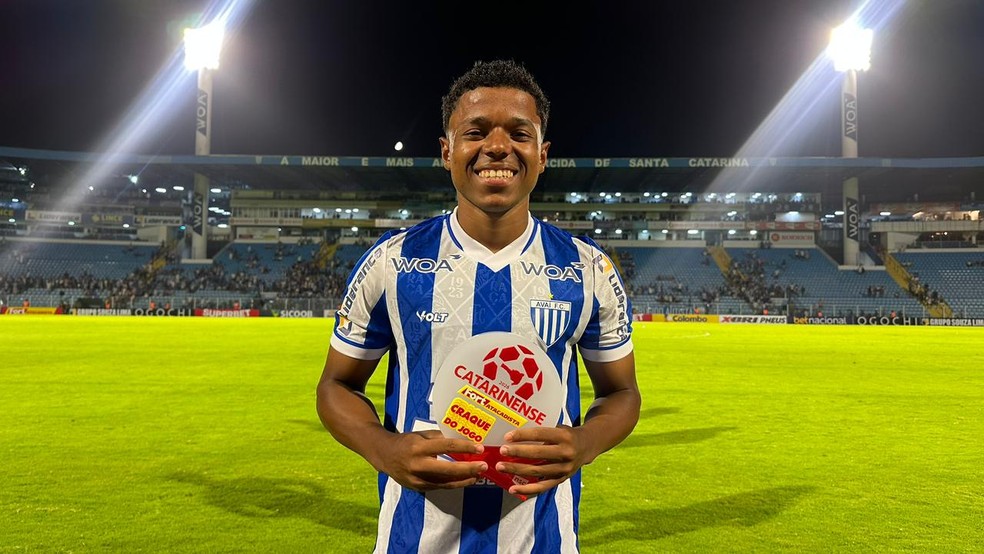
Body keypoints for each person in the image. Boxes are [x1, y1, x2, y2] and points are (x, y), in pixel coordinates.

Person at [317, 59, 640, 553]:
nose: (497, 146)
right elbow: (336, 386)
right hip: (412, 539)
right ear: (446, 152)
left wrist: (584, 444)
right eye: (476, 131)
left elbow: (621, 395)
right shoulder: (393, 261)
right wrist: (386, 450)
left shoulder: (588, 268)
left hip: (545, 540)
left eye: (519, 132)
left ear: (542, 153)